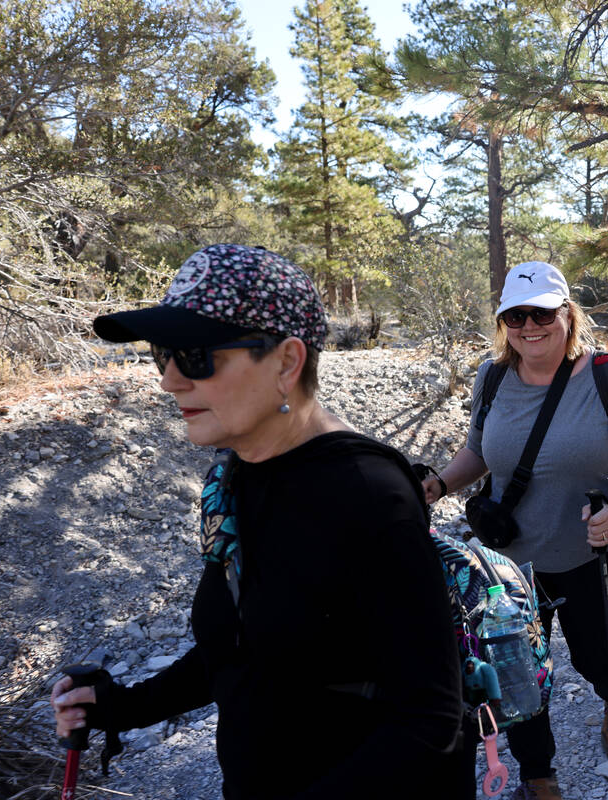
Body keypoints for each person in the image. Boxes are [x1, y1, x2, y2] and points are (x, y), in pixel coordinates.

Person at [51, 244, 466, 798]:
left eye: (196, 355)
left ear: (287, 363)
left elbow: (430, 717)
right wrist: (124, 706)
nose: (169, 380)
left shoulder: (369, 494)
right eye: (162, 353)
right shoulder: (235, 473)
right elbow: (245, 649)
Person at [421, 261, 608, 800]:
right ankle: (538, 775)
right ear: (503, 321)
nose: (530, 325)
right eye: (516, 315)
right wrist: (437, 484)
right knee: (517, 675)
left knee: (600, 657)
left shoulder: (604, 372)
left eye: (543, 312)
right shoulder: (493, 375)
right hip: (506, 567)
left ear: (566, 314)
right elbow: (479, 451)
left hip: (589, 553)